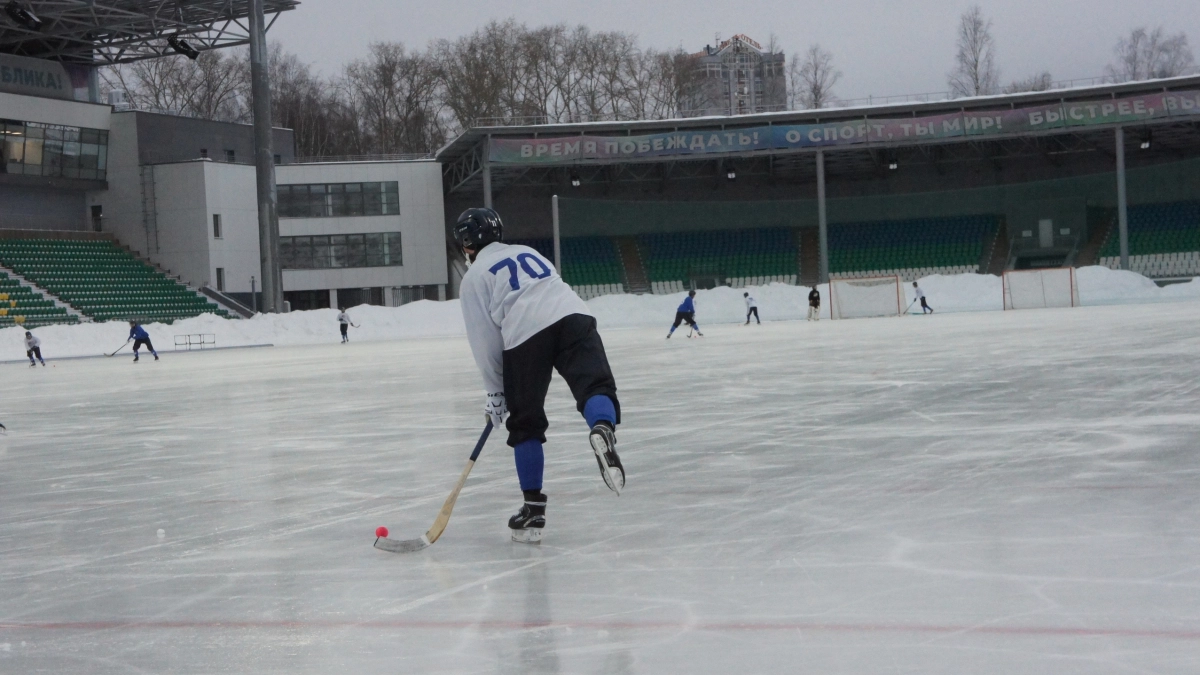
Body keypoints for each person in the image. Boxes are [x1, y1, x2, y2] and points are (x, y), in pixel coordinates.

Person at [455, 207, 624, 544]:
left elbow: (486, 343)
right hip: (574, 314)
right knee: (594, 385)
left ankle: (533, 510)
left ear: (467, 244)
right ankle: (602, 426)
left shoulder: (473, 278)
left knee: (526, 421)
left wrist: (496, 394)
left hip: (525, 332)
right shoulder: (527, 252)